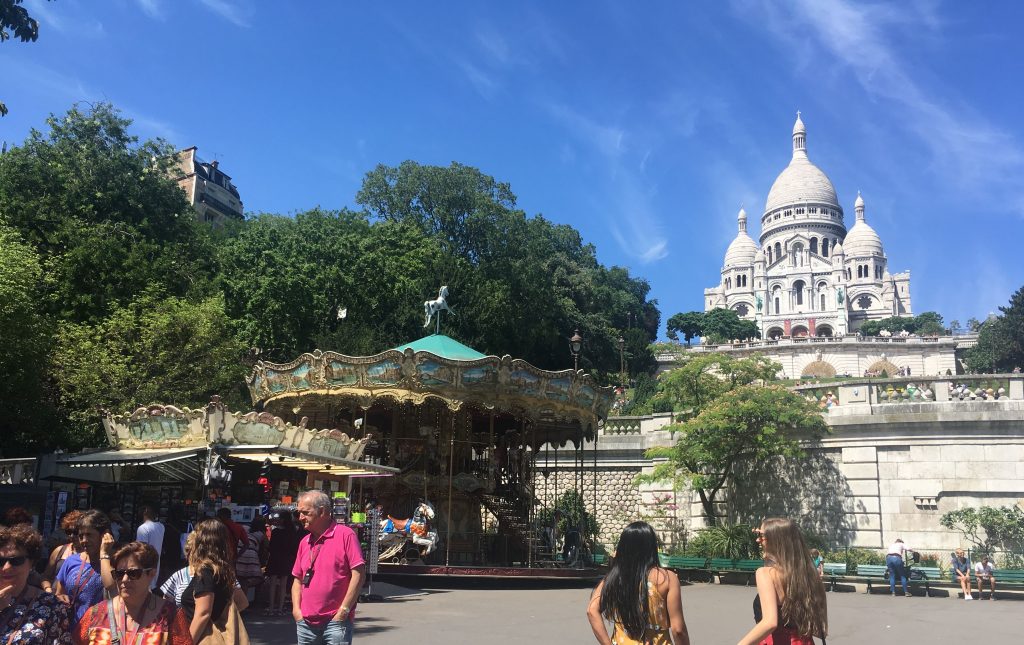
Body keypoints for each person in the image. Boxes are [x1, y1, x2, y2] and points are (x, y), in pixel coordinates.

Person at [586, 521, 689, 645]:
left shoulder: (614, 578)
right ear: (651, 547)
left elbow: (592, 610)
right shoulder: (667, 578)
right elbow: (678, 630)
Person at [74, 542, 191, 645]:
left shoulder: (171, 616)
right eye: (119, 574)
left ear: (151, 574)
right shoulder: (95, 614)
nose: (124, 579)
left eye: (133, 573)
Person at [291, 490, 365, 645]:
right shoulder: (304, 542)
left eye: (306, 512)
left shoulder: (346, 535)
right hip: (306, 623)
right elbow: (297, 579)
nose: (300, 518)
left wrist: (343, 611)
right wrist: (297, 611)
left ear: (323, 511)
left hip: (335, 622)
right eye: (299, 513)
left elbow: (358, 575)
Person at [738, 518, 828, 645]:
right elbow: (820, 629)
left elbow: (769, 622)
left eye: (761, 535)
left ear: (776, 540)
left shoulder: (766, 573)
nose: (758, 540)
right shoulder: (809, 574)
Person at [0, 524, 72, 644]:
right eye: (0, 561)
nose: (6, 568)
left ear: (32, 563)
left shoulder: (51, 605)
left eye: (16, 561)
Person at [180, 518, 249, 643]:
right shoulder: (222, 571)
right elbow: (243, 603)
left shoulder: (205, 571)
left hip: (201, 638)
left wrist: (187, 642)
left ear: (201, 541)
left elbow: (203, 614)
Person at [159, 531, 246, 608]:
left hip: (213, 626)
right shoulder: (178, 575)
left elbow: (242, 603)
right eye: (188, 550)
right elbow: (166, 606)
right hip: (183, 625)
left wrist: (220, 618)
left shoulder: (221, 573)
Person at [55, 510, 110, 626]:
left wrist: (104, 553)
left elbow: (110, 585)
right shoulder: (71, 561)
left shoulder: (114, 563)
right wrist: (61, 598)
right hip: (70, 629)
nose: (84, 540)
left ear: (104, 535)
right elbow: (59, 593)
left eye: (89, 535)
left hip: (99, 631)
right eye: (81, 536)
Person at [265, 509, 300, 616]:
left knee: (273, 584)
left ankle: (271, 608)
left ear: (283, 519)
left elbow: (270, 547)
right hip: (286, 559)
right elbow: (294, 548)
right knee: (283, 585)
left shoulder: (275, 532)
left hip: (275, 558)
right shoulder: (292, 532)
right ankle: (280, 608)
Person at [41, 510, 82, 595]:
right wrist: (48, 589)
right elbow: (46, 577)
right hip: (56, 598)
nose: (72, 536)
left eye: (75, 532)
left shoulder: (92, 554)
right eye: (68, 532)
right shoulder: (60, 550)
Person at [134, 506, 165, 590]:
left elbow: (141, 550)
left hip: (145, 567)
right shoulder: (161, 527)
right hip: (155, 567)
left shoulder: (143, 528)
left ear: (145, 512)